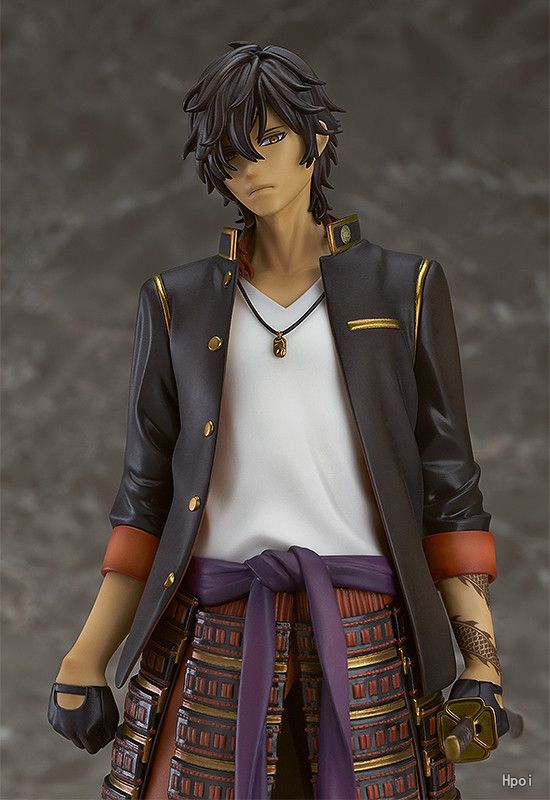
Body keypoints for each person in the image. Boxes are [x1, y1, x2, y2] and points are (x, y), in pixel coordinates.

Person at [48, 42, 510, 800]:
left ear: (315, 139)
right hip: (211, 637)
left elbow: (449, 491)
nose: (252, 165)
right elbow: (144, 501)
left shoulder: (405, 289)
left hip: (369, 638)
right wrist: (84, 659)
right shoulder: (176, 302)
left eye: (270, 138)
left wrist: (481, 664)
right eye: (233, 151)